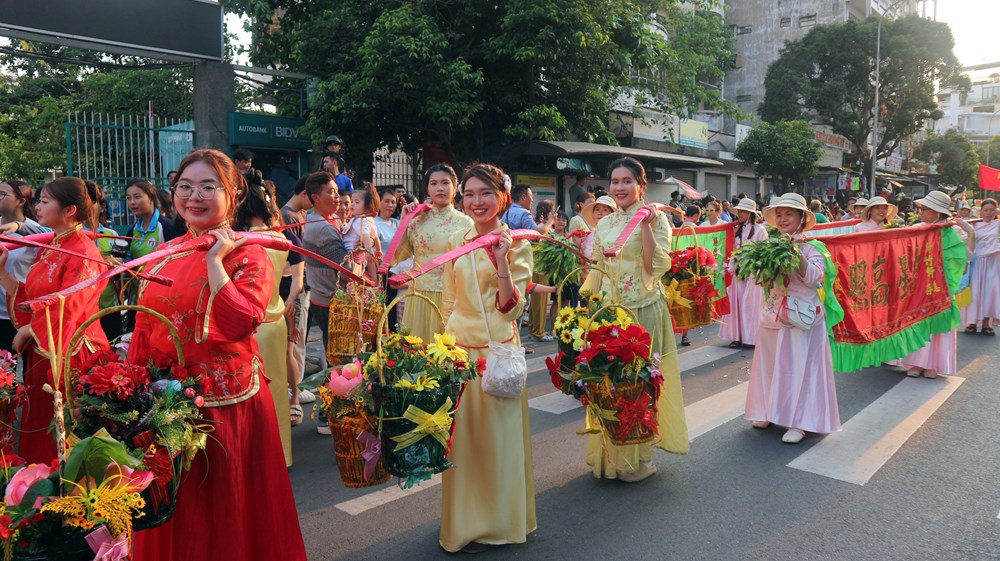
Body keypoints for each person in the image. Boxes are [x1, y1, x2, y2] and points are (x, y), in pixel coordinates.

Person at [128, 149, 305, 560]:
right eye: (185, 187)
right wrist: (130, 389)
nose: (195, 196)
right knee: (175, 508)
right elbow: (144, 325)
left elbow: (244, 321)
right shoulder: (165, 252)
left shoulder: (248, 252)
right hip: (166, 406)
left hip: (226, 407)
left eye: (209, 186)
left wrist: (214, 263)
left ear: (233, 194)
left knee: (225, 510)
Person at [440, 163, 535, 553]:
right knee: (461, 446)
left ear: (502, 197)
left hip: (496, 356)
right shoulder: (456, 240)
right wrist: (442, 348)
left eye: (485, 193)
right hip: (459, 353)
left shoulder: (519, 244)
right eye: (469, 194)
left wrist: (501, 260)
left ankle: (499, 524)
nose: (476, 201)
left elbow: (512, 309)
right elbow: (448, 297)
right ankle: (465, 524)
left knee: (496, 445)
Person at [579, 157, 689, 481]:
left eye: (627, 181)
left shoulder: (657, 221)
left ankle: (638, 457)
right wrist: (586, 308)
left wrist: (645, 225)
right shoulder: (605, 224)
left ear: (641, 185)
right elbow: (597, 268)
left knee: (638, 385)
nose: (620, 187)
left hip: (642, 311)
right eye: (615, 181)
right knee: (609, 384)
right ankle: (610, 453)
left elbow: (656, 267)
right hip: (611, 314)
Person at [0, 177, 110, 463]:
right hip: (46, 348)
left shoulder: (84, 251)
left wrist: (29, 328)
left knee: (62, 431)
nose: (37, 206)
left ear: (69, 209)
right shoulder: (54, 245)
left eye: (45, 201)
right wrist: (3, 274)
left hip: (71, 352)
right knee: (41, 422)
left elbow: (71, 305)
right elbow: (35, 296)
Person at [745, 193, 841, 444]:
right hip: (773, 313)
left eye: (789, 214)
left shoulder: (814, 247)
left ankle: (800, 421)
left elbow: (814, 278)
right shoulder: (768, 246)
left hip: (802, 317)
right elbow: (759, 279)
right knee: (770, 365)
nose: (783, 218)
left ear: (802, 218)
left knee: (800, 369)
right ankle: (767, 411)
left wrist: (796, 252)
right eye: (780, 214)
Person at [234, 180, 295, 465]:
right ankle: (282, 453)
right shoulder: (282, 239)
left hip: (254, 323)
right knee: (278, 386)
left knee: (255, 391)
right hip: (277, 319)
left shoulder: (241, 242)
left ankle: (260, 456)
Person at [895, 191, 974, 378]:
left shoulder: (953, 231)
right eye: (921, 209)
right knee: (919, 322)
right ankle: (916, 363)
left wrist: (971, 232)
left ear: (938, 213)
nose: (921, 212)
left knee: (939, 324)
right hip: (920, 285)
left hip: (943, 286)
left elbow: (966, 257)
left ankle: (933, 364)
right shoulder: (918, 228)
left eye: (925, 209)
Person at [393, 163, 473, 342]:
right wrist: (403, 221)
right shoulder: (415, 221)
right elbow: (400, 256)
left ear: (455, 187)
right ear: (427, 188)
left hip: (453, 295)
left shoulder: (466, 223)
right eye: (434, 183)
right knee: (417, 354)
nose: (440, 188)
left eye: (445, 183)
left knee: (448, 353)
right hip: (419, 294)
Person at [301, 172, 349, 435]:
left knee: (331, 355)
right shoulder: (324, 227)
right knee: (336, 358)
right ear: (315, 198)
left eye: (336, 191)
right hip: (330, 300)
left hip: (321, 298)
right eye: (330, 192)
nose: (337, 197)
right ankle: (326, 415)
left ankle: (330, 412)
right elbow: (347, 266)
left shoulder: (316, 221)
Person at [280, 176, 314, 407]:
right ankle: (294, 389)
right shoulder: (287, 217)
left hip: (297, 285)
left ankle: (295, 389)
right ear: (305, 193)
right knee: (292, 342)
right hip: (286, 287)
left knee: (296, 340)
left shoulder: (300, 215)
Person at [0, 180, 45, 350]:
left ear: (21, 201)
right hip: (0, 314)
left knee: (28, 368)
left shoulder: (38, 231)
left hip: (25, 312)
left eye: (2, 194)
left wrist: (18, 227)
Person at [720, 198, 768, 349]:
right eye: (739, 211)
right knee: (736, 305)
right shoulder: (737, 230)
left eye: (743, 211)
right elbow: (733, 252)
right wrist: (731, 268)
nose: (740, 214)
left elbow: (763, 254)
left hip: (753, 273)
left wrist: (754, 270)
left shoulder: (760, 231)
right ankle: (737, 336)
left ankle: (751, 337)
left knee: (750, 306)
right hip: (738, 273)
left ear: (751, 213)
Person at [963, 199, 1000, 335]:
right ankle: (971, 322)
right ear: (980, 211)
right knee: (975, 291)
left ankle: (986, 323)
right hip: (977, 262)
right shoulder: (974, 224)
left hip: (992, 262)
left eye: (991, 210)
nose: (988, 213)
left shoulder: (997, 224)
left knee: (989, 292)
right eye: (985, 210)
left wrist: (997, 213)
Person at [528, 200, 557, 342]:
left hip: (537, 268)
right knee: (540, 301)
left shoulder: (539, 225)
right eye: (552, 212)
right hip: (540, 269)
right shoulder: (542, 227)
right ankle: (538, 332)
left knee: (536, 301)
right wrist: (551, 222)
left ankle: (534, 328)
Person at [342, 182, 381, 280]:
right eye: (352, 201)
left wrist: (368, 250)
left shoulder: (360, 220)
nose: (352, 204)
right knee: (370, 261)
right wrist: (378, 250)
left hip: (350, 253)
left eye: (357, 202)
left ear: (368, 206)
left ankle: (374, 279)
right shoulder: (369, 220)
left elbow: (366, 236)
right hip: (357, 252)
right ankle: (374, 280)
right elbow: (376, 237)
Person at [375, 188, 400, 328]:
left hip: (398, 272)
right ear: (379, 202)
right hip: (381, 271)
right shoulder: (373, 222)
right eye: (387, 201)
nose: (390, 205)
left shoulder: (397, 223)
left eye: (393, 202)